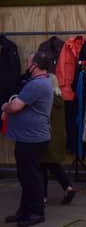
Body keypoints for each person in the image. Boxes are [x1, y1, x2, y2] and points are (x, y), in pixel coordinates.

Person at [2, 52, 53, 227]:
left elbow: (15, 107)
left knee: (31, 177)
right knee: (26, 176)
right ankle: (24, 211)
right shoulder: (38, 83)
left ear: (36, 65)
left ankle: (36, 213)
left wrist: (5, 106)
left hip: (32, 139)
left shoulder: (37, 85)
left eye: (28, 61)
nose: (26, 63)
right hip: (30, 138)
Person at [41, 75, 75, 205]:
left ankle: (43, 196)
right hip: (59, 136)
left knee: (42, 166)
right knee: (53, 165)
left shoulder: (47, 100)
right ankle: (68, 188)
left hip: (48, 136)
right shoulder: (60, 98)